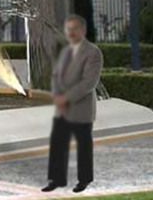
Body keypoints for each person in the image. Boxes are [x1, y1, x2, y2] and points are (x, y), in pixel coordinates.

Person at [41, 14, 104, 193]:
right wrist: (56, 96)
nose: (71, 32)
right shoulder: (66, 51)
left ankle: (84, 180)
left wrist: (66, 98)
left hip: (81, 109)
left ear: (83, 30)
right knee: (58, 143)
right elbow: (56, 76)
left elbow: (89, 82)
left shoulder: (93, 52)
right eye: (68, 29)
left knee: (83, 146)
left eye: (75, 28)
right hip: (62, 109)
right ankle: (56, 179)